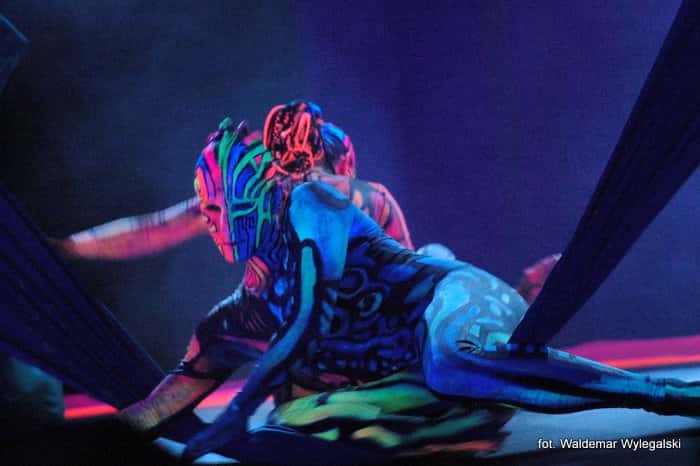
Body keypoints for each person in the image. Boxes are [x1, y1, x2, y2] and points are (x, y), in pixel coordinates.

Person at [147, 114, 700, 462]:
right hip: (407, 353)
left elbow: (318, 313)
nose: (209, 223)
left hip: (449, 301)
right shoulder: (243, 308)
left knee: (450, 359)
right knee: (306, 416)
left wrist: (238, 410)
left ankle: (665, 395)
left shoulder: (314, 204)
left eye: (213, 208)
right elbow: (168, 394)